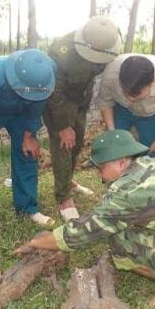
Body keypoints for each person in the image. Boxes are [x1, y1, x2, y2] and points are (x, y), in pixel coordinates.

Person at [14, 130, 155, 307]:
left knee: (119, 240)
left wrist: (35, 242)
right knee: (122, 226)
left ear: (121, 162)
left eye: (101, 168)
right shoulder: (154, 163)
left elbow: (82, 233)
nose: (99, 176)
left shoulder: (128, 192)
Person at [0, 49, 56, 241]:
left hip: (22, 114)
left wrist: (28, 135)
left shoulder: (47, 71)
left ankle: (28, 208)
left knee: (28, 154)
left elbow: (39, 103)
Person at [44, 15, 121, 222]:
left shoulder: (108, 41)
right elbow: (54, 92)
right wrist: (62, 126)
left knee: (76, 143)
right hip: (59, 101)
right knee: (64, 145)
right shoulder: (62, 53)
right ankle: (63, 196)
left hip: (80, 100)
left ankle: (68, 181)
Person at [98, 54, 155, 156]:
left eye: (137, 95)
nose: (131, 99)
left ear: (152, 83)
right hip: (121, 108)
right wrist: (111, 132)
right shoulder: (111, 74)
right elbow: (105, 101)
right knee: (114, 148)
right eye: (126, 93)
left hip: (150, 115)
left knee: (153, 152)